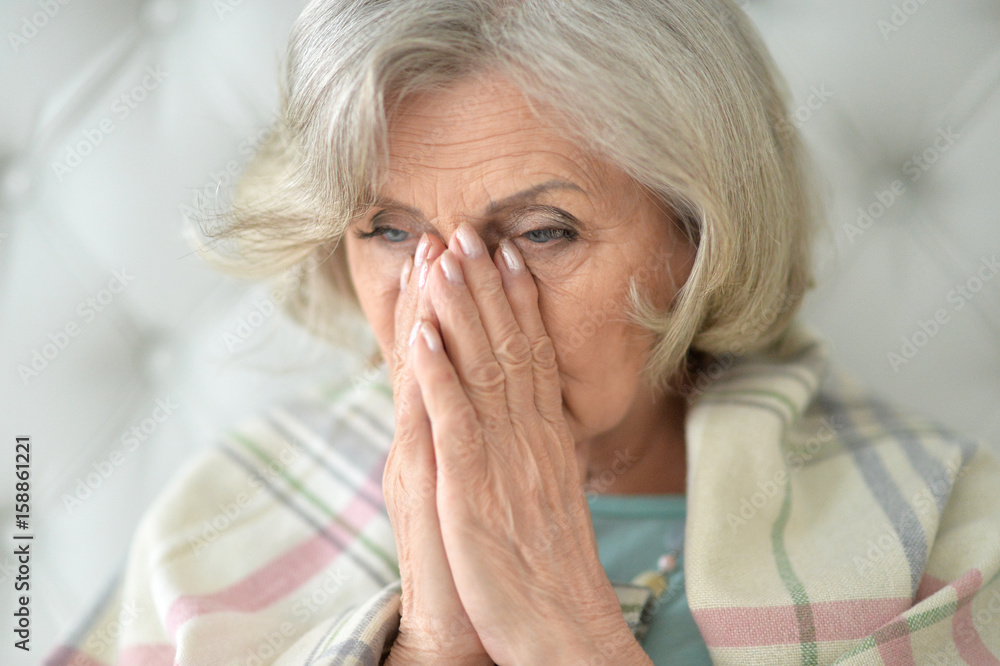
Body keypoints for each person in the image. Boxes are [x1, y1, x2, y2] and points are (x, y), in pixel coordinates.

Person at [47, 1, 1000, 664]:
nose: (448, 300)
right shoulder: (226, 511)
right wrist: (428, 649)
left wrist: (568, 631)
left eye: (542, 233)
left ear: (699, 236)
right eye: (390, 229)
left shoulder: (942, 528)